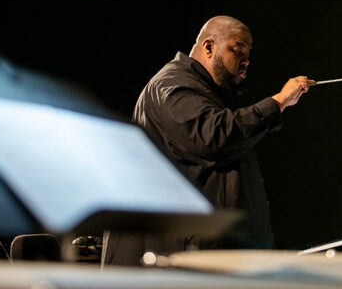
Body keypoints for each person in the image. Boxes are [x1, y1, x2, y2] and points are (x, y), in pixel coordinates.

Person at [102, 15, 314, 265]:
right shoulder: (172, 85)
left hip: (199, 260)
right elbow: (214, 136)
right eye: (238, 50)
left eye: (248, 54)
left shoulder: (206, 94)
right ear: (209, 46)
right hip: (173, 266)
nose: (246, 61)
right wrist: (278, 102)